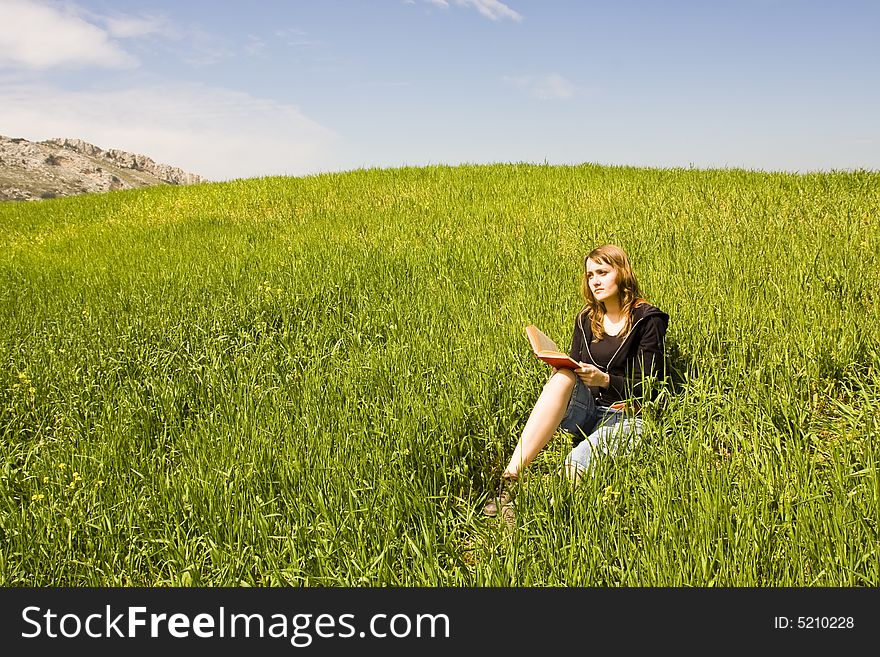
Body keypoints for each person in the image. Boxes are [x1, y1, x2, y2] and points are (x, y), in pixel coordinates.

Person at [483, 244, 670, 520]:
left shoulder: (647, 320)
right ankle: (509, 480)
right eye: (590, 275)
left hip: (627, 415)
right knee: (562, 377)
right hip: (588, 409)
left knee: (581, 456)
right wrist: (566, 367)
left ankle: (532, 513)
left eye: (603, 272)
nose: (595, 280)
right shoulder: (586, 318)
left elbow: (649, 384)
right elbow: (574, 367)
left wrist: (604, 380)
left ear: (621, 273)